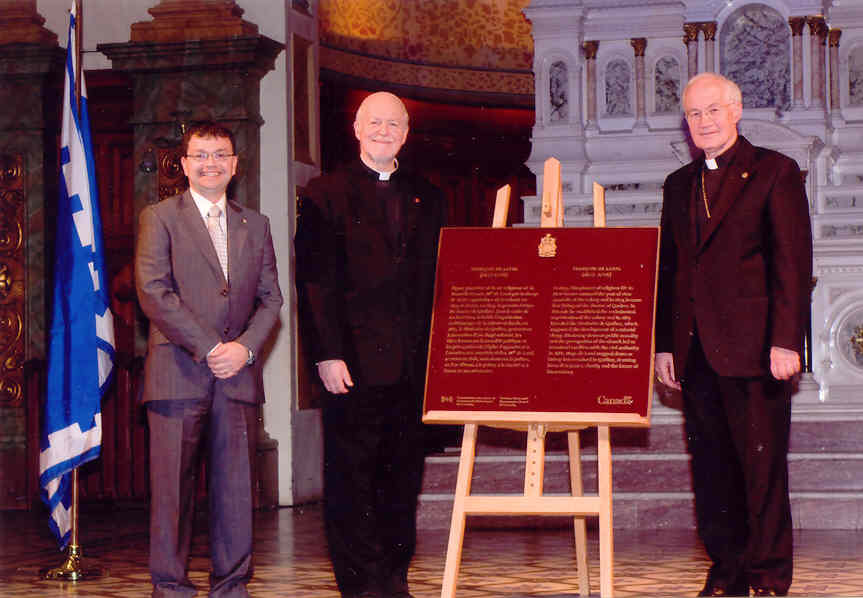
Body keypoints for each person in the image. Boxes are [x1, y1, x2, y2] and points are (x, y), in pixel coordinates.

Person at [654, 72, 812, 597]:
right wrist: (664, 345)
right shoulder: (679, 185)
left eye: (713, 111)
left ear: (736, 109)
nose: (704, 122)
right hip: (696, 352)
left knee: (762, 470)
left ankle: (767, 575)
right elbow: (669, 270)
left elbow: (791, 263)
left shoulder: (774, 171)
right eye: (694, 114)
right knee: (712, 472)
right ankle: (726, 572)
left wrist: (787, 341)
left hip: (758, 351)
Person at [294, 91, 445, 598]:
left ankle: (395, 578)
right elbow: (314, 283)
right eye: (374, 122)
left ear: (406, 132)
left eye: (394, 124)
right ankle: (359, 586)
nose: (384, 131)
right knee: (352, 480)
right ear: (357, 129)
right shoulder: (323, 193)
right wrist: (327, 353)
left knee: (403, 478)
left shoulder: (429, 194)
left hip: (411, 365)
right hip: (351, 364)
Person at [135, 122, 283, 598]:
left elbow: (272, 300)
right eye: (200, 155)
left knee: (236, 492)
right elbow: (154, 292)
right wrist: (211, 348)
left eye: (220, 154)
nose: (210, 163)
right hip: (177, 374)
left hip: (237, 377)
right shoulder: (159, 218)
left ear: (235, 164)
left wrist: (244, 348)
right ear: (184, 165)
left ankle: (232, 586)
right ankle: (171, 588)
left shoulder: (255, 224)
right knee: (172, 495)